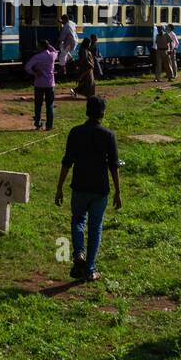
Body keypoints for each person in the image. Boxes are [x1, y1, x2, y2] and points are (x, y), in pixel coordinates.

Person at [55, 96, 121, 281]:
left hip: (79, 186)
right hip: (100, 189)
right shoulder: (109, 135)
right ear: (103, 113)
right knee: (95, 227)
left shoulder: (75, 133)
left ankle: (78, 253)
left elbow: (67, 161)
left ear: (86, 111)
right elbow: (114, 166)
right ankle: (90, 269)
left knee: (77, 220)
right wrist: (118, 191)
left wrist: (59, 187)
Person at [24, 40, 58, 130]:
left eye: (39, 46)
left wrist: (34, 73)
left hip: (39, 83)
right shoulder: (52, 56)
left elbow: (27, 67)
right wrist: (49, 45)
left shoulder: (37, 57)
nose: (37, 47)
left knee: (38, 104)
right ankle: (49, 125)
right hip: (50, 84)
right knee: (49, 105)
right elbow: (55, 51)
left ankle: (38, 124)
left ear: (42, 47)